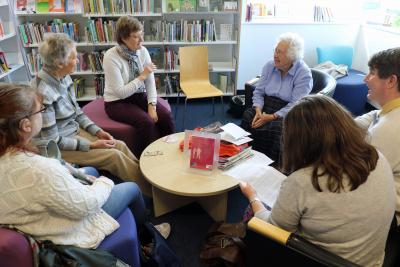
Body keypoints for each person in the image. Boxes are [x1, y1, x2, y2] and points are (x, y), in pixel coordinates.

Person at [0, 83, 170, 263]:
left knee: (90, 170)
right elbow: (86, 206)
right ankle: (147, 237)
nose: (42, 113)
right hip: (65, 229)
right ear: (26, 125)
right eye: (40, 110)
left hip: (35, 216)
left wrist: (78, 174)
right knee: (131, 188)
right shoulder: (39, 168)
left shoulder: (11, 156)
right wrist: (104, 182)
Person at [240, 95, 395, 266]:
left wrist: (253, 196)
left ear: (298, 140)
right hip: (372, 260)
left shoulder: (304, 180)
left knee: (252, 214)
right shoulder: (377, 157)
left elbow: (273, 228)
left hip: (319, 260)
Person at [30, 33, 151, 195]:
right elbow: (53, 141)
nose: (78, 60)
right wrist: (92, 145)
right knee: (114, 156)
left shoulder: (63, 77)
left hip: (71, 131)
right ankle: (153, 193)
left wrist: (98, 132)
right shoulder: (42, 93)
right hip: (58, 146)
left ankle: (148, 178)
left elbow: (77, 113)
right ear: (60, 63)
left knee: (118, 144)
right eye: (74, 58)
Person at [103, 16, 174, 155]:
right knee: (145, 122)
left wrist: (152, 105)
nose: (141, 40)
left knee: (164, 115)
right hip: (116, 102)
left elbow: (150, 82)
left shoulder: (143, 51)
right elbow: (121, 92)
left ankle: (169, 151)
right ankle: (144, 158)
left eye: (141, 34)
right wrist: (142, 76)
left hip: (138, 95)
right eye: (136, 36)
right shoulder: (110, 57)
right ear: (123, 38)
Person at [241, 32, 313, 165]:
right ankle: (244, 157)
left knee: (280, 129)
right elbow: (259, 91)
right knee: (247, 115)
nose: (275, 55)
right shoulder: (269, 66)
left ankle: (272, 164)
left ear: (292, 56)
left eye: (280, 52)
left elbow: (296, 104)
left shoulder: (303, 74)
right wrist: (258, 110)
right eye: (275, 50)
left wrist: (272, 116)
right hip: (265, 106)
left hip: (287, 112)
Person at [355, 47, 400, 226]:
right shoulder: (388, 113)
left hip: (389, 217)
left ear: (391, 81)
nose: (365, 79)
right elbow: (374, 116)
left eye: (372, 73)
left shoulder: (388, 129)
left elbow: (360, 180)